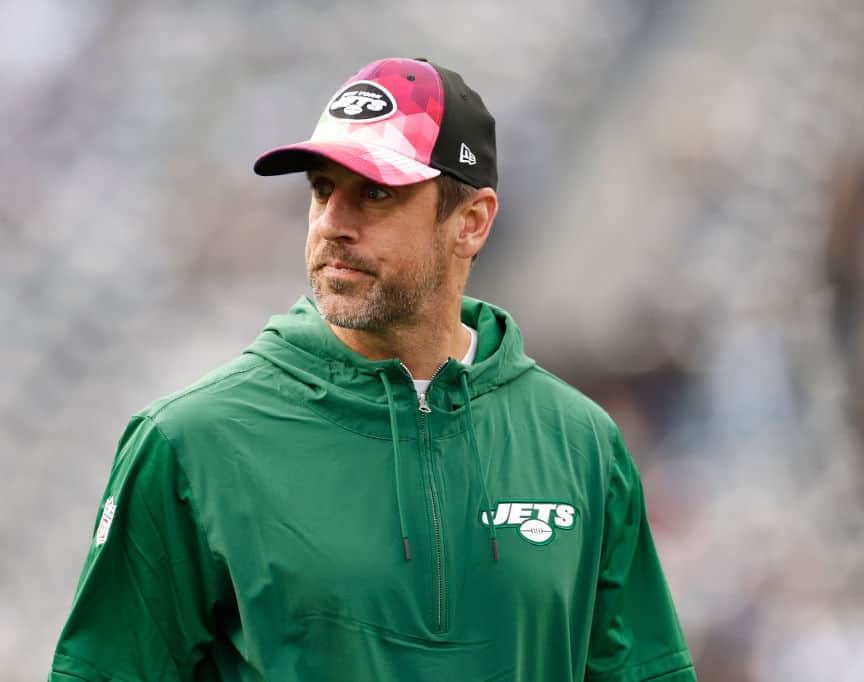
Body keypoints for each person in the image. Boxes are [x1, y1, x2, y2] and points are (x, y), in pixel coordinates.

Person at [48, 57, 696, 682]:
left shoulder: (581, 447)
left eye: (375, 193)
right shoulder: (189, 445)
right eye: (323, 190)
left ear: (471, 223)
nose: (332, 224)